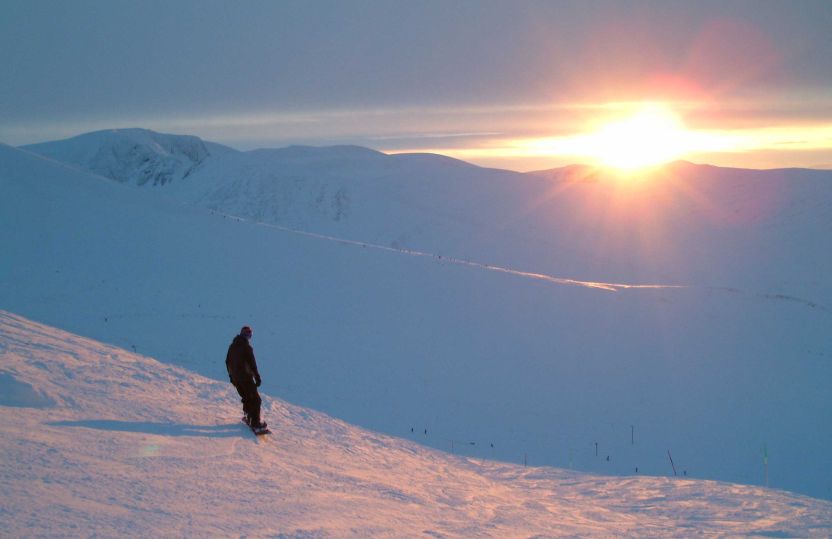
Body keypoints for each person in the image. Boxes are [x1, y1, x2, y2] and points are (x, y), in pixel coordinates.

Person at [226, 325, 266, 430]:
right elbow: (252, 364)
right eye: (249, 335)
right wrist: (257, 377)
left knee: (247, 398)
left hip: (236, 379)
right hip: (245, 378)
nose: (249, 337)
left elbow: (227, 362)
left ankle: (249, 417)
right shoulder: (247, 348)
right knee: (256, 400)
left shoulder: (232, 346)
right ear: (246, 335)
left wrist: (231, 377)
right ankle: (255, 422)